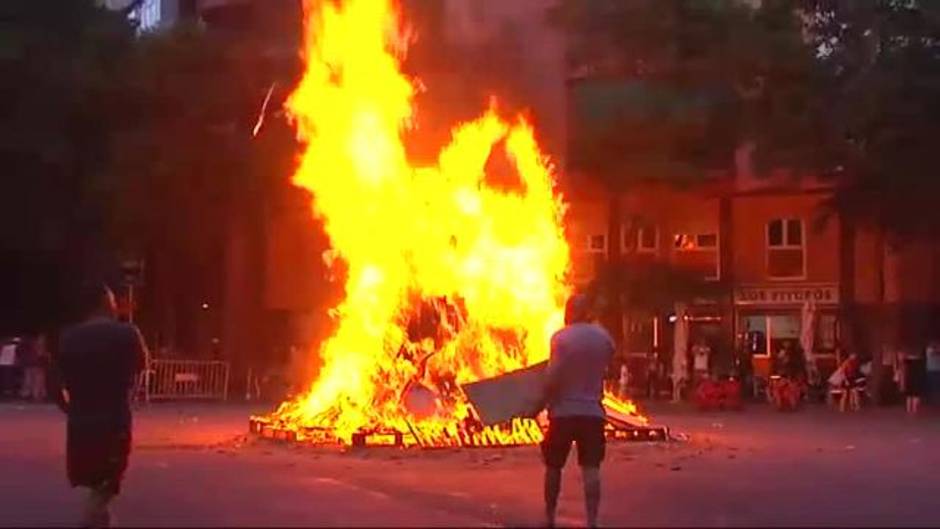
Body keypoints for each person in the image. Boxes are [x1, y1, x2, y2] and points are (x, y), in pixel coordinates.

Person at [55, 284, 148, 527]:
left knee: (97, 483)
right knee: (106, 486)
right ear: (107, 304)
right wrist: (131, 395)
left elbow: (51, 380)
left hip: (80, 422)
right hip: (114, 419)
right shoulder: (127, 333)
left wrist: (68, 407)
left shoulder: (68, 337)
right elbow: (142, 367)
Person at [531, 294, 614, 528]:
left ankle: (549, 517)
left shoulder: (561, 338)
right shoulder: (603, 337)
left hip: (563, 412)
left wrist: (539, 401)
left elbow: (553, 376)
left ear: (569, 312)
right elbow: (609, 364)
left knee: (554, 466)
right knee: (591, 468)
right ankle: (592, 520)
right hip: (592, 413)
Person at [18, 334, 47, 402]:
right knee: (36, 377)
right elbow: (40, 352)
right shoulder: (36, 342)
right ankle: (36, 394)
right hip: (36, 361)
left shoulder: (27, 341)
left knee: (30, 377)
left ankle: (30, 394)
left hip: (31, 361)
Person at [900, 347, 926, 415]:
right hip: (916, 378)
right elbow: (922, 371)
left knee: (909, 394)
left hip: (909, 378)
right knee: (915, 394)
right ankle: (914, 410)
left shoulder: (907, 360)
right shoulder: (920, 361)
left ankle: (909, 410)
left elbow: (904, 368)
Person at [926, 339, 940, 406]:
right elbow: (934, 353)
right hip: (931, 370)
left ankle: (935, 400)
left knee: (936, 385)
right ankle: (931, 400)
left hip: (937, 370)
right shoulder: (929, 349)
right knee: (932, 385)